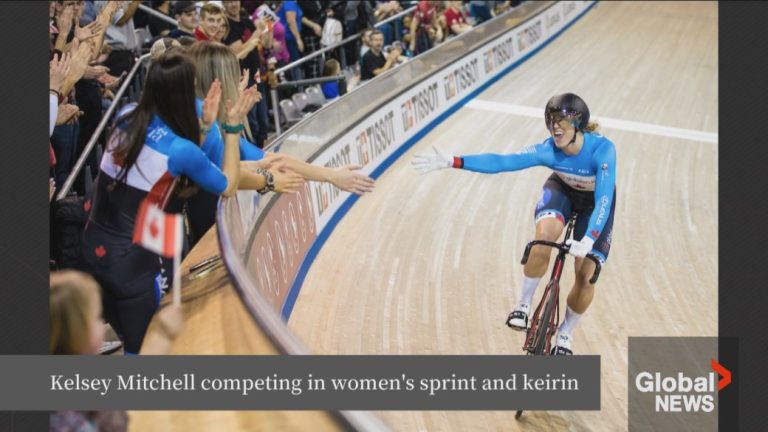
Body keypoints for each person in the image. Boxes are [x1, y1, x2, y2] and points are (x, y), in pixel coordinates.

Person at [79, 51, 285, 355]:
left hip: (92, 248)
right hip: (132, 264)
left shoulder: (128, 114)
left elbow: (161, 162)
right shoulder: (181, 150)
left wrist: (203, 128)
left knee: (129, 345)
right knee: (148, 352)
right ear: (185, 92)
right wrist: (230, 128)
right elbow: (226, 185)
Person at [412, 94, 616, 355]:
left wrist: (589, 238)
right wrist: (454, 161)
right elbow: (502, 161)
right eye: (551, 122)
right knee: (543, 238)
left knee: (586, 276)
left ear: (578, 125)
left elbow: (604, 199)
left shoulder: (603, 150)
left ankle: (565, 333)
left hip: (594, 206)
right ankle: (523, 304)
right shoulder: (548, 150)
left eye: (561, 122)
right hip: (563, 192)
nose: (555, 128)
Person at [186, 41, 375, 246]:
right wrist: (270, 180)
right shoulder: (204, 117)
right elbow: (227, 179)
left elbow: (269, 160)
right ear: (219, 80)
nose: (240, 82)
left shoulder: (202, 111)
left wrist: (331, 175)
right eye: (235, 75)